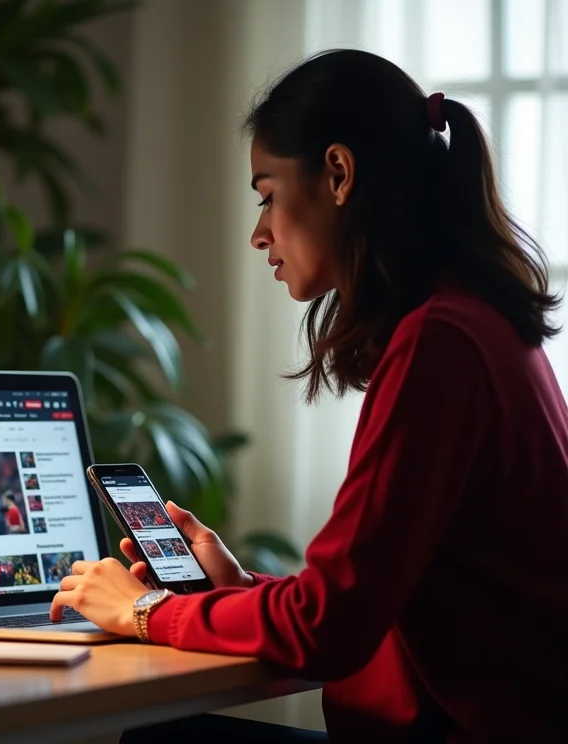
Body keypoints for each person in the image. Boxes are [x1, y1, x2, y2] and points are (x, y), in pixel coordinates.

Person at [48, 49, 568, 742]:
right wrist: (241, 591)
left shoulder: (440, 342)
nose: (259, 231)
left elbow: (330, 629)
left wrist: (146, 612)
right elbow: (364, 603)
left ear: (339, 174)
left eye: (266, 194)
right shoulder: (480, 317)